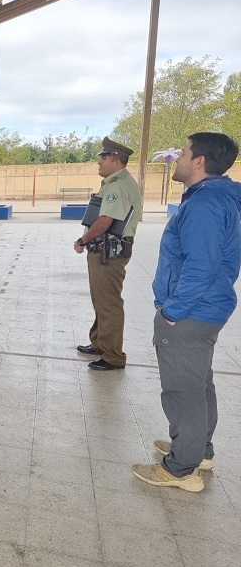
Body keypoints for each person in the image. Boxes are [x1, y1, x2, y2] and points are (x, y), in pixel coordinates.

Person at [132, 132, 241, 493]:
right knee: (198, 383)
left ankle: (181, 469)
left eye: (183, 153)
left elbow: (201, 265)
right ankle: (197, 450)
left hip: (191, 311)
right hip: (207, 308)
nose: (177, 158)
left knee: (183, 391)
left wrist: (173, 310)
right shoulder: (218, 196)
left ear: (199, 161)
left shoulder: (205, 204)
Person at [73, 137, 143, 371]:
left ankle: (113, 356)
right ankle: (100, 343)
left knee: (109, 302)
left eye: (103, 158)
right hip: (104, 250)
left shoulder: (117, 186)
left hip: (109, 251)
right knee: (101, 299)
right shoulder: (113, 183)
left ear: (116, 160)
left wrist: (83, 240)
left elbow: (104, 222)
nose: (99, 163)